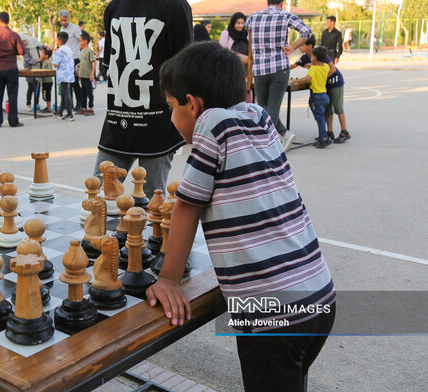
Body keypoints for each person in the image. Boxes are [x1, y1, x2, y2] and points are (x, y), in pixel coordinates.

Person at [147, 41, 336, 392]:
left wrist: (170, 279)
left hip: (273, 315)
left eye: (172, 107)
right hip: (318, 295)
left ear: (193, 104)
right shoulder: (258, 116)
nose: (172, 118)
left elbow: (187, 205)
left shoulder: (212, 124)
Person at [94, 0, 193, 196]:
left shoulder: (173, 6)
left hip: (157, 133)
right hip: (115, 131)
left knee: (152, 217)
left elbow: (185, 75)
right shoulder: (113, 9)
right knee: (99, 206)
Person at [246, 0, 312, 152]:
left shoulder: (253, 18)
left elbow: (249, 46)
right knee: (272, 109)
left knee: (263, 108)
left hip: (259, 69)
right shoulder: (285, 16)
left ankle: (271, 140)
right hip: (279, 68)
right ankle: (284, 134)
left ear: (266, 1)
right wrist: (294, 47)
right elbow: (306, 31)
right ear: (282, 3)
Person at [292, 36, 350, 143]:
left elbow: (332, 69)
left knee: (338, 108)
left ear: (309, 47)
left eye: (301, 45)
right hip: (324, 87)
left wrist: (320, 78)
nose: (300, 47)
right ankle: (329, 132)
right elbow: (293, 66)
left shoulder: (321, 55)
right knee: (328, 110)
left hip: (335, 83)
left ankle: (344, 131)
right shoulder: (307, 58)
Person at [0, 11, 24, 128]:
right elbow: (21, 51)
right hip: (11, 68)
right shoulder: (13, 35)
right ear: (8, 21)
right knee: (12, 95)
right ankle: (13, 121)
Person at [289, 46, 332, 148]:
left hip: (316, 96)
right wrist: (312, 65)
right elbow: (320, 68)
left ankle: (324, 138)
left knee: (319, 118)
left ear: (315, 58)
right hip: (324, 95)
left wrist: (295, 81)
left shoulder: (313, 68)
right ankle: (323, 135)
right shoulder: (325, 66)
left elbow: (307, 79)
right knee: (321, 117)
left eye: (312, 56)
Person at [58, 10, 82, 108]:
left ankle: (79, 103)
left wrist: (78, 51)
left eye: (65, 20)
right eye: (61, 20)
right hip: (65, 60)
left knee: (75, 83)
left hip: (74, 58)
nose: (63, 22)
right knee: (67, 83)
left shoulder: (75, 28)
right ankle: (69, 104)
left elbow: (81, 40)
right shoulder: (61, 29)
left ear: (68, 19)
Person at [52, 31, 75, 121]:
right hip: (69, 74)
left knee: (66, 94)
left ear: (59, 40)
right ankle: (60, 112)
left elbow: (56, 64)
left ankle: (70, 114)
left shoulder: (59, 50)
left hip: (63, 75)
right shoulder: (68, 49)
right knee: (64, 94)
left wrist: (54, 54)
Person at [20, 34, 41, 112]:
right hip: (29, 70)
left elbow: (41, 45)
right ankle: (28, 104)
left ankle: (37, 104)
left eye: (25, 41)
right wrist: (37, 60)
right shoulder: (24, 49)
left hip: (38, 69)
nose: (24, 43)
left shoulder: (34, 45)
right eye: (22, 42)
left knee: (38, 87)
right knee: (31, 87)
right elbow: (28, 60)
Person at [77, 30, 96, 115]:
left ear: (85, 41)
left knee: (89, 92)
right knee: (83, 93)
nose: (79, 42)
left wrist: (92, 74)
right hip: (82, 76)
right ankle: (84, 108)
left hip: (88, 76)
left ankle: (91, 108)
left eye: (80, 40)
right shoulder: (82, 51)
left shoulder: (89, 51)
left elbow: (94, 62)